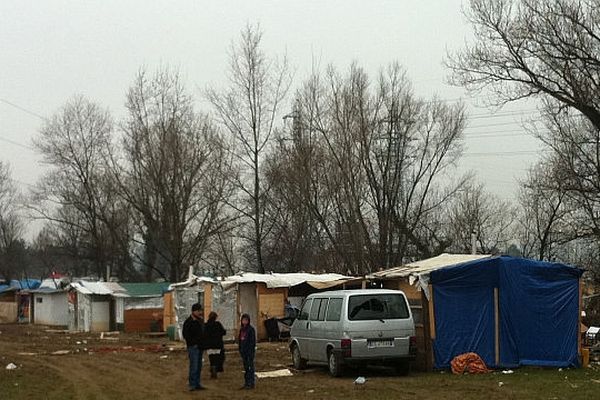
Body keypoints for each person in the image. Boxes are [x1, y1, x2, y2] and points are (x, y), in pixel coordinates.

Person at [182, 303, 205, 391]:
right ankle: (192, 384)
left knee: (199, 366)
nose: (200, 312)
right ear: (194, 311)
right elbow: (185, 335)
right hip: (193, 347)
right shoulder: (188, 322)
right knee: (194, 366)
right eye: (199, 311)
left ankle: (197, 383)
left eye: (200, 311)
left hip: (200, 347)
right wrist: (193, 343)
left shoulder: (200, 321)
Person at [204, 311, 226, 379]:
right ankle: (215, 369)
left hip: (209, 346)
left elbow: (204, 335)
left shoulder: (206, 325)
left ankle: (213, 369)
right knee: (218, 358)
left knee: (212, 358)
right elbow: (223, 332)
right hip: (218, 345)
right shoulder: (218, 324)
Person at [238, 313, 256, 390]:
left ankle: (251, 383)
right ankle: (246, 382)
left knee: (250, 367)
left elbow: (252, 342)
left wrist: (250, 351)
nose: (244, 321)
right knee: (246, 368)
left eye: (246, 320)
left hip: (249, 352)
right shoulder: (242, 330)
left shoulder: (251, 330)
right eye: (243, 320)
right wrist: (240, 349)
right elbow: (240, 340)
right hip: (243, 351)